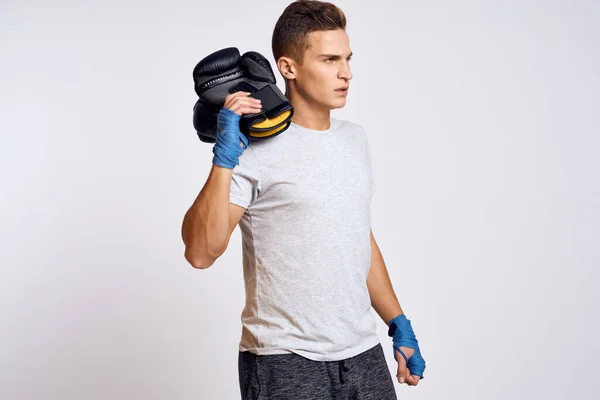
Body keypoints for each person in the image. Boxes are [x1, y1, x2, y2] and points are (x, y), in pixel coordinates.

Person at [181, 1, 426, 398]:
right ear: (288, 67)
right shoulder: (253, 150)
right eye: (330, 59)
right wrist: (223, 159)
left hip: (363, 354)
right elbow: (200, 253)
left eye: (347, 58)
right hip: (285, 361)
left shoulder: (354, 140)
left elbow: (357, 238)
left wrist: (398, 322)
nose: (346, 72)